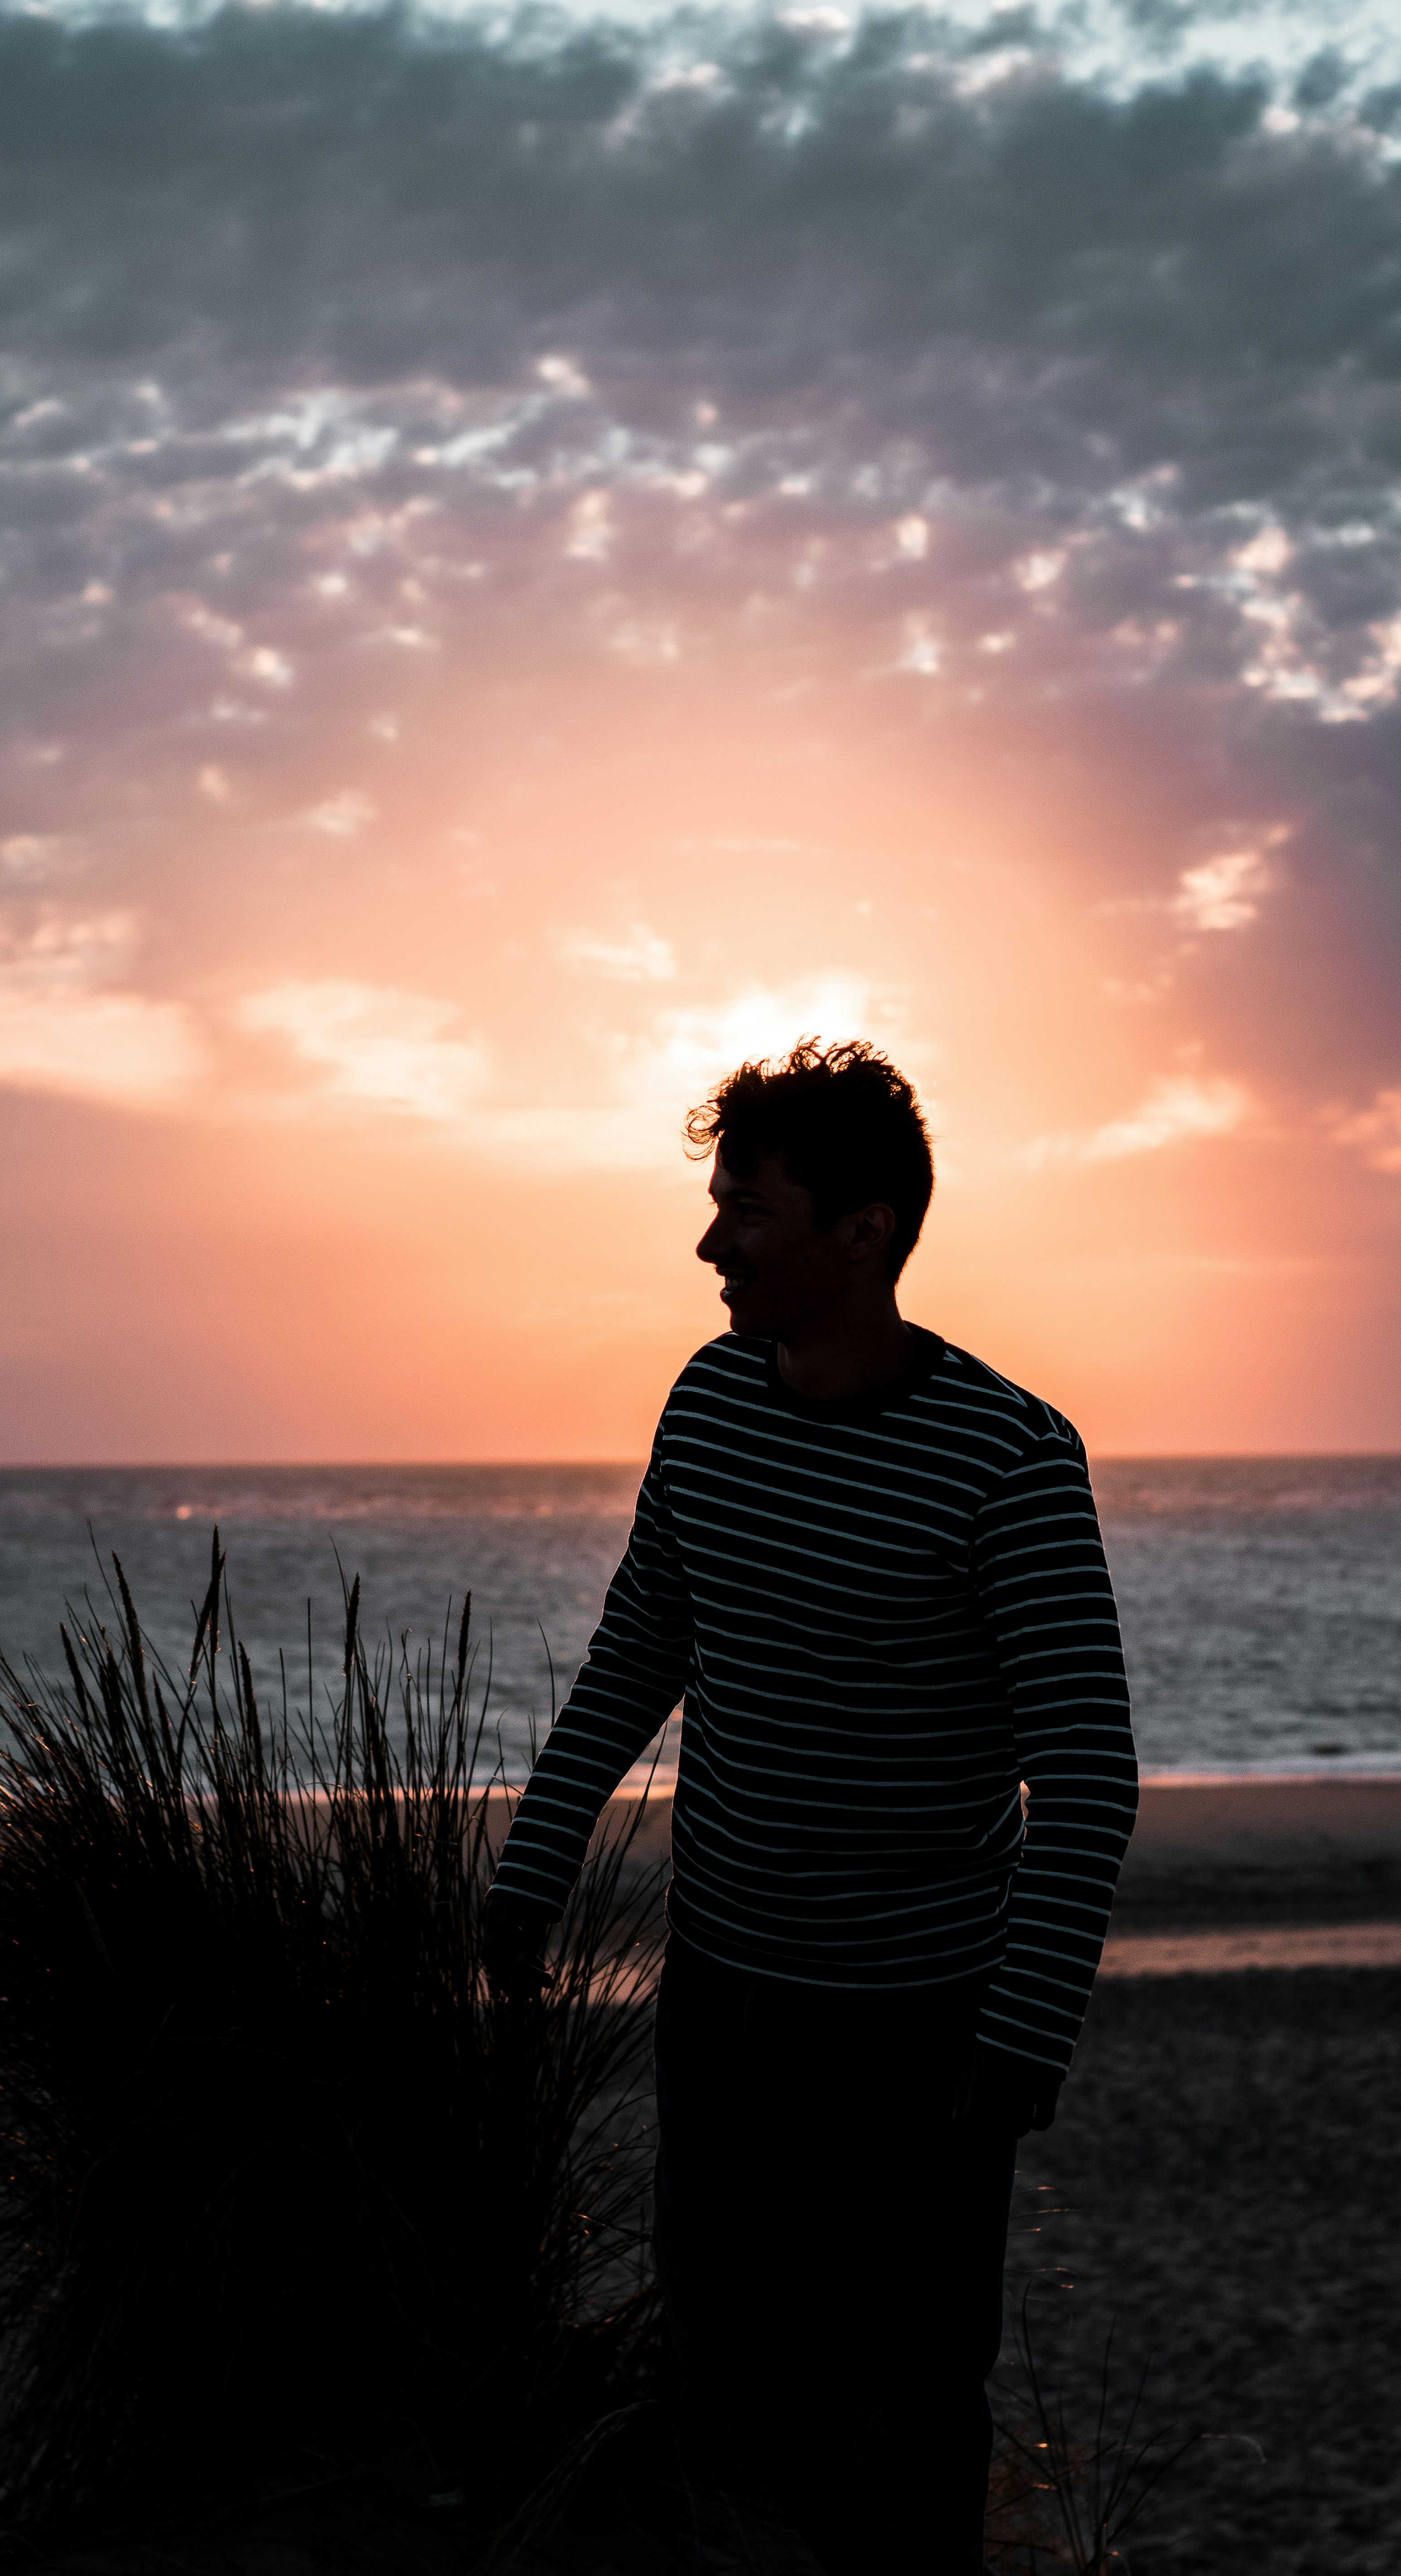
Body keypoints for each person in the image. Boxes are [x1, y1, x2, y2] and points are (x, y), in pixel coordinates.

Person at [481, 1038, 1138, 2576]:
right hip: (721, 1998)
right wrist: (534, 1863)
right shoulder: (709, 1402)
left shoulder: (1009, 1461)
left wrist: (1021, 2038)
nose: (709, 1245)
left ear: (866, 1232)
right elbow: (642, 1642)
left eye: (746, 1213)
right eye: (713, 1206)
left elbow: (1088, 1772)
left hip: (918, 2033)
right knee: (719, 2380)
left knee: (898, 2412)